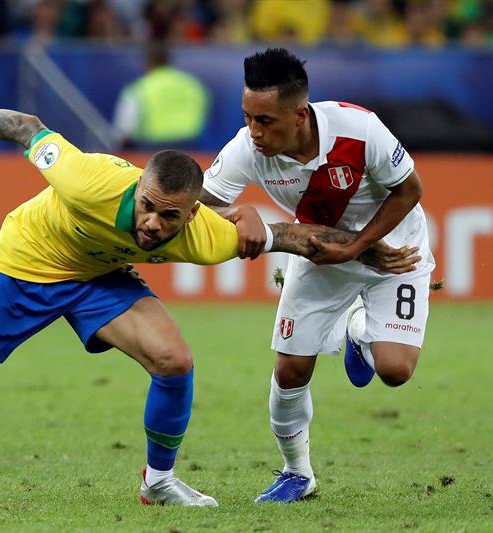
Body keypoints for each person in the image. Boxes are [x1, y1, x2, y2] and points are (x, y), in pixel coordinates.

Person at [0, 64, 419, 510]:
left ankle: (160, 482)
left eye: (169, 218)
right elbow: (28, 129)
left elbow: (293, 237)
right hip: (28, 264)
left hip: (100, 278)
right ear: (137, 187)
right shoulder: (85, 178)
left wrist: (371, 251)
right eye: (147, 208)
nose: (152, 225)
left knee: (174, 360)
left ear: (192, 216)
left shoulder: (205, 237)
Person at [199, 48, 435, 503]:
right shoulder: (247, 148)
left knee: (395, 371)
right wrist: (236, 212)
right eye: (248, 117)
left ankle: (359, 330)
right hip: (320, 253)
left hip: (393, 249)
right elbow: (197, 201)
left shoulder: (359, 130)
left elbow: (410, 190)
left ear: (300, 115)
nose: (255, 131)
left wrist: (361, 246)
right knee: (290, 369)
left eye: (266, 120)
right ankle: (297, 473)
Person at [113, 43, 210, 149]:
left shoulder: (140, 88)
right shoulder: (191, 84)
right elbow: (203, 108)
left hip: (152, 148)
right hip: (189, 146)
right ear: (168, 60)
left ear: (147, 61)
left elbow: (126, 126)